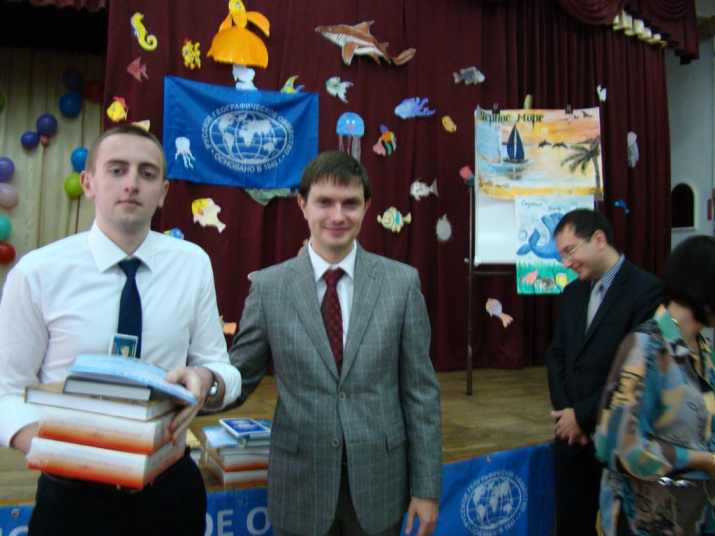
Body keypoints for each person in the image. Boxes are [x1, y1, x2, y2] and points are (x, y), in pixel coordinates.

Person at [0, 124, 241, 536]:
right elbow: (6, 391)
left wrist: (207, 379)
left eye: (147, 173)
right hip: (73, 499)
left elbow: (222, 370)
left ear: (163, 192)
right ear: (88, 183)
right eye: (117, 170)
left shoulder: (192, 263)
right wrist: (65, 451)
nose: (132, 183)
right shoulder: (38, 273)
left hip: (170, 491)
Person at [229, 150, 442, 536]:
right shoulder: (269, 287)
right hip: (300, 487)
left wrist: (426, 489)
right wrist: (194, 389)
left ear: (367, 207)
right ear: (302, 204)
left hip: (380, 486)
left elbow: (420, 394)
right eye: (324, 202)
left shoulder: (402, 283)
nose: (338, 216)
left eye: (350, 203)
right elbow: (238, 377)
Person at [545, 208, 662, 536]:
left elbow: (640, 372)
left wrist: (582, 416)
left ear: (598, 239)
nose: (566, 262)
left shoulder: (646, 291)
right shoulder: (573, 293)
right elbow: (556, 355)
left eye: (570, 251)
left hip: (619, 439)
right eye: (561, 255)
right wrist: (568, 417)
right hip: (572, 443)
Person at [595, 235, 715, 535]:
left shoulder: (704, 348)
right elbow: (619, 448)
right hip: (646, 521)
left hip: (696, 517)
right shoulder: (646, 348)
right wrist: (703, 461)